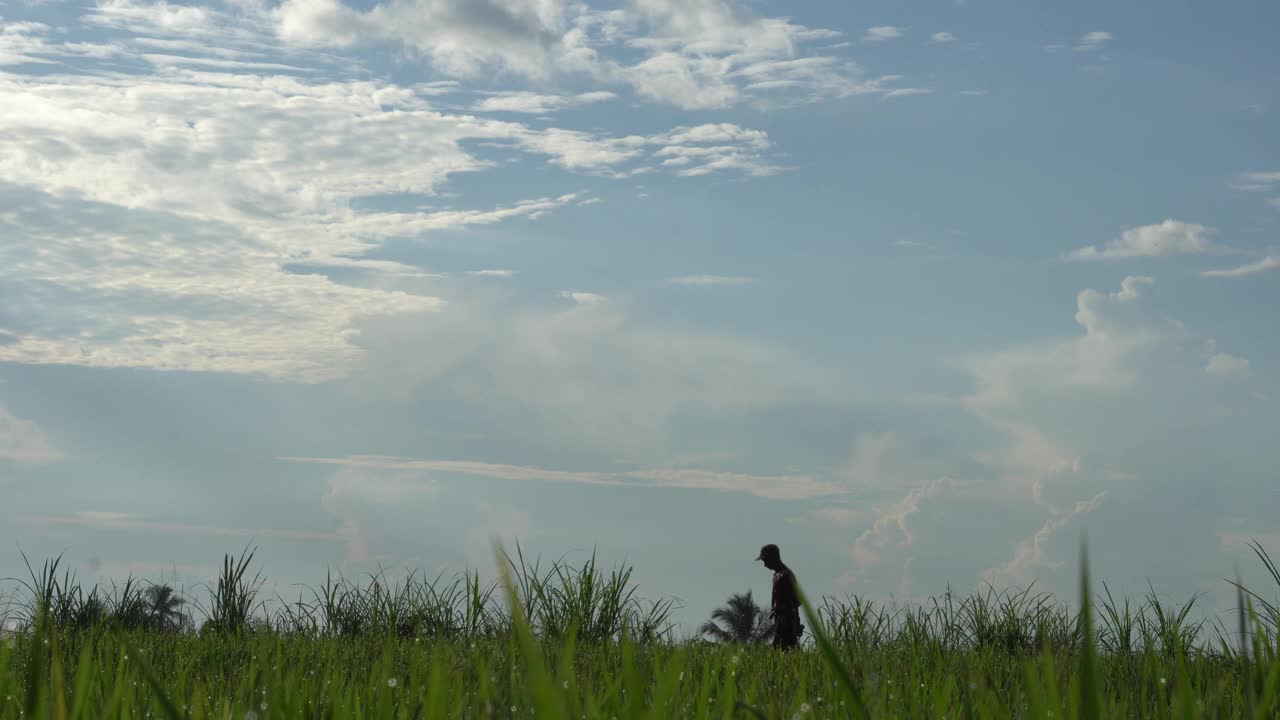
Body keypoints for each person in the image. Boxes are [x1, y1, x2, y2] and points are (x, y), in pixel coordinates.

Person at [755, 543, 803, 648]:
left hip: (786, 620)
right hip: (781, 619)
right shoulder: (778, 575)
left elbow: (797, 599)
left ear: (772, 558)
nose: (764, 564)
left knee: (784, 650)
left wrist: (795, 622)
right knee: (783, 650)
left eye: (765, 560)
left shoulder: (785, 575)